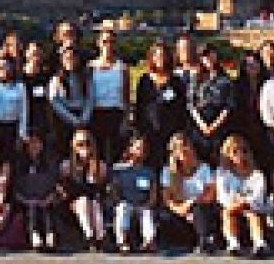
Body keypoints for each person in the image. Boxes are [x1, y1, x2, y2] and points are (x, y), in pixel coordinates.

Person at [132, 43, 188, 172]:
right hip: (149, 133)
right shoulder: (144, 80)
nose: (160, 59)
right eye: (157, 55)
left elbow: (182, 108)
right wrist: (139, 134)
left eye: (163, 55)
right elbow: (139, 107)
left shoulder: (177, 81)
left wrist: (181, 133)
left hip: (171, 134)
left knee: (170, 170)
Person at [215, 133, 273, 258]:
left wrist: (244, 202)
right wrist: (234, 204)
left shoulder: (257, 174)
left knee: (253, 214)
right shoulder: (222, 173)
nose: (240, 155)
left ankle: (259, 244)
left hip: (252, 208)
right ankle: (233, 244)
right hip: (231, 208)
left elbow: (258, 197)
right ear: (228, 154)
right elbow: (222, 195)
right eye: (235, 152)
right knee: (227, 213)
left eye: (243, 151)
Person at [160, 130, 217, 254]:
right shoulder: (167, 171)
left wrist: (192, 203)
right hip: (179, 212)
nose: (183, 150)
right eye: (178, 148)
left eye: (185, 145)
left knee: (200, 211)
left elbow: (210, 195)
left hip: (201, 209)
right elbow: (167, 200)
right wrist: (182, 209)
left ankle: (204, 241)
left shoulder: (204, 168)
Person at [60, 128, 108, 252]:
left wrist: (93, 170)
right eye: (80, 144)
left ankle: (100, 237)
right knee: (83, 201)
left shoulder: (100, 165)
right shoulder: (66, 165)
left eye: (87, 143)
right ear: (73, 146)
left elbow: (100, 189)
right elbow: (64, 189)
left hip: (94, 201)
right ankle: (90, 236)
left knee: (93, 204)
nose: (84, 147)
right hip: (73, 202)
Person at [109, 134, 159, 253]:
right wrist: (117, 200)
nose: (140, 151)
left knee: (147, 213)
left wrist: (150, 203)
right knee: (122, 209)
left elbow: (153, 191)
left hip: (142, 203)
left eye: (143, 149)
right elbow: (113, 188)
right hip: (126, 202)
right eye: (138, 148)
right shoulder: (119, 169)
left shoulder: (148, 171)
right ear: (130, 149)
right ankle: (122, 241)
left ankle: (149, 240)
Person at [88, 30, 130, 165]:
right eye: (105, 42)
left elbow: (126, 98)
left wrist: (125, 120)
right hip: (96, 114)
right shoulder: (91, 66)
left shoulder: (122, 68)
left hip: (115, 115)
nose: (108, 45)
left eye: (111, 42)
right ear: (99, 44)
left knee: (114, 155)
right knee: (96, 155)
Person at [14, 132, 61, 253]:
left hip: (47, 198)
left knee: (48, 210)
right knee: (33, 208)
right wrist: (26, 200)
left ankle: (51, 237)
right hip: (25, 201)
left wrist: (51, 196)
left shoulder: (50, 162)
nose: (34, 146)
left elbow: (57, 183)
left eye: (37, 142)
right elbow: (14, 189)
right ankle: (35, 236)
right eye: (30, 142)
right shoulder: (19, 164)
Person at [186, 44, 233, 161]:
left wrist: (213, 126)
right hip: (199, 125)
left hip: (219, 125)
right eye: (205, 56)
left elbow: (228, 106)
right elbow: (191, 104)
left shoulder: (225, 80)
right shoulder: (196, 79)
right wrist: (202, 125)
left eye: (211, 55)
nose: (209, 59)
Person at [48, 45, 93, 157]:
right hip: (64, 118)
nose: (70, 61)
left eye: (73, 58)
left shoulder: (85, 77)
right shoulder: (56, 78)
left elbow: (90, 98)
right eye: (67, 59)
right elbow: (54, 102)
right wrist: (72, 119)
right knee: (65, 151)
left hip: (83, 117)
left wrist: (84, 117)